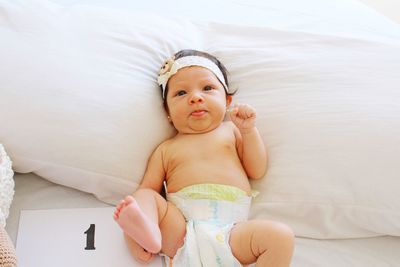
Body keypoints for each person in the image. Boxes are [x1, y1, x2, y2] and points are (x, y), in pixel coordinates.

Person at [114, 49, 294, 266]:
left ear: (227, 101)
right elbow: (149, 190)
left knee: (280, 236)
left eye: (208, 88)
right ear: (167, 112)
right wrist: (142, 217)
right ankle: (144, 233)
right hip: (181, 230)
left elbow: (256, 170)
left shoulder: (232, 131)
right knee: (143, 197)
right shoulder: (166, 149)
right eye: (181, 93)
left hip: (231, 232)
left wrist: (248, 131)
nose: (196, 97)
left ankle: (142, 230)